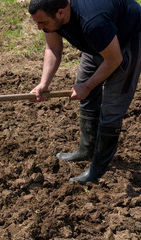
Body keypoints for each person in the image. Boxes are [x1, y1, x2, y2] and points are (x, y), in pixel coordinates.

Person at [28, 0, 141, 184]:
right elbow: (53, 48)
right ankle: (87, 150)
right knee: (84, 91)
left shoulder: (92, 22)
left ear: (61, 13)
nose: (40, 28)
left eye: (43, 23)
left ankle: (96, 171)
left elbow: (114, 60)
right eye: (37, 23)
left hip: (127, 40)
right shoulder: (52, 14)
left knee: (112, 108)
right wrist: (43, 84)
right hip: (98, 41)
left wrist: (88, 86)